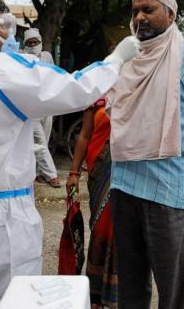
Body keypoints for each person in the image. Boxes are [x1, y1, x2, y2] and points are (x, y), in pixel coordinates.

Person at [0, 0, 139, 298]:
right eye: (6, 26)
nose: (12, 36)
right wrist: (116, 60)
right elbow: (74, 89)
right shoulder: (2, 70)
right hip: (4, 221)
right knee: (12, 298)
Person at [107, 0, 184, 308]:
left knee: (173, 286)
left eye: (148, 9)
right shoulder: (127, 57)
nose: (140, 17)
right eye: (135, 11)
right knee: (130, 283)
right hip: (122, 185)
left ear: (171, 14)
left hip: (166, 188)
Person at [66, 97, 117, 308]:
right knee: (100, 230)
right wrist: (74, 172)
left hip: (128, 172)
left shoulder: (139, 86)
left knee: (122, 230)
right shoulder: (97, 93)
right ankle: (96, 294)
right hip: (99, 171)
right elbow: (85, 135)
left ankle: (119, 292)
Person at [23, 28, 60, 188]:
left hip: (47, 105)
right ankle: (52, 175)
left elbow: (53, 75)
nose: (33, 45)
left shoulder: (46, 56)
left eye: (35, 42)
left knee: (44, 137)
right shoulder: (22, 58)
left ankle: (38, 173)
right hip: (31, 108)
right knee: (40, 140)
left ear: (40, 42)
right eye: (29, 43)